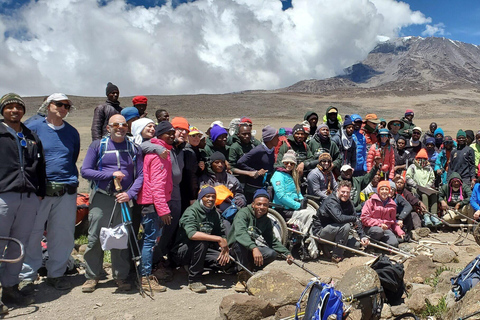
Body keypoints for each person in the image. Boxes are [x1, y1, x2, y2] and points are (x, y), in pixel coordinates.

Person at [20, 93, 80, 293]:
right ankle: (26, 277)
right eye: (59, 104)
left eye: (67, 106)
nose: (63, 108)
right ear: (48, 105)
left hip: (66, 189)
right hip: (39, 191)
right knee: (32, 233)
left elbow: (72, 157)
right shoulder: (33, 127)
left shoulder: (72, 132)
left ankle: (56, 274)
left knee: (62, 234)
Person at [80, 114, 144, 293]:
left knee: (121, 237)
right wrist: (111, 175)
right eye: (115, 124)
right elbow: (85, 171)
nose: (120, 127)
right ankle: (92, 276)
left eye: (123, 124)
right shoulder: (97, 146)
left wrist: (130, 194)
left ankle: (121, 276)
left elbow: (140, 175)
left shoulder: (134, 148)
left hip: (124, 199)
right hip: (102, 197)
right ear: (108, 128)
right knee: (94, 238)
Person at [0, 93, 46, 307]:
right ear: (3, 111)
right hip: (3, 197)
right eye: (9, 107)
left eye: (18, 107)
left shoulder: (31, 136)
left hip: (28, 198)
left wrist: (40, 192)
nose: (14, 110)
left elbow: (41, 167)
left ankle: (10, 289)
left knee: (19, 246)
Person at [136, 121, 177, 293]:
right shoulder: (158, 155)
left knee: (151, 240)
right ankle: (145, 277)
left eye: (173, 133)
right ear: (159, 135)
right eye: (168, 133)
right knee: (150, 241)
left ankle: (146, 273)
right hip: (153, 205)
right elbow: (157, 186)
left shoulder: (162, 152)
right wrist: (164, 210)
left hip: (154, 203)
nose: (172, 135)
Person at [228, 189, 293, 292]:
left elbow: (272, 240)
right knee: (240, 244)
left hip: (250, 247)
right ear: (253, 204)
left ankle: (252, 271)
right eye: (259, 204)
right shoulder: (243, 213)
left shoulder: (266, 220)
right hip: (235, 249)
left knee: (271, 253)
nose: (261, 207)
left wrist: (286, 253)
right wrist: (254, 248)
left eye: (265, 205)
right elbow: (240, 234)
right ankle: (242, 277)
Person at [171, 186, 231, 293]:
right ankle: (194, 280)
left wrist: (224, 246)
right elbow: (192, 234)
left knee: (224, 261)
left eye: (213, 197)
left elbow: (221, 232)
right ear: (201, 198)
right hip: (183, 250)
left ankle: (193, 267)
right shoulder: (191, 212)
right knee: (201, 241)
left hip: (202, 251)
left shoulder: (214, 213)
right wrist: (218, 239)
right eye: (207, 196)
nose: (211, 199)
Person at [311, 180, 369, 263]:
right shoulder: (331, 201)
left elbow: (356, 219)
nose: (345, 194)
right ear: (337, 190)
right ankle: (337, 255)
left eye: (347, 192)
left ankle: (328, 247)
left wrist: (362, 236)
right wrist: (353, 219)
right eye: (343, 192)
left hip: (337, 231)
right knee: (346, 226)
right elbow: (339, 218)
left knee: (356, 245)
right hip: (322, 231)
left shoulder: (348, 202)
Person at [199, 151, 246, 228]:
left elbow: (239, 193)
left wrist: (240, 200)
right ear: (211, 164)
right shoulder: (204, 179)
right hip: (210, 212)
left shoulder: (232, 179)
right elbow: (202, 196)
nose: (220, 165)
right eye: (217, 162)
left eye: (222, 162)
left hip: (230, 212)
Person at [236, 125, 278, 203]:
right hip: (253, 188)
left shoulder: (271, 150)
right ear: (270, 139)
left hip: (264, 185)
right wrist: (255, 171)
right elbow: (240, 162)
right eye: (276, 137)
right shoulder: (258, 150)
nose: (278, 139)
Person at [361, 181, 405, 247]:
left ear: (389, 191)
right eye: (382, 189)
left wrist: (399, 231)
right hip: (371, 228)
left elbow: (393, 222)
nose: (384, 191)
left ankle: (378, 247)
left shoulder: (392, 204)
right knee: (378, 231)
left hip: (386, 229)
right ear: (378, 191)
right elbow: (364, 218)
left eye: (386, 189)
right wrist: (380, 224)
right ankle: (370, 246)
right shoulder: (371, 201)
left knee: (394, 244)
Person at [406, 149, 438, 223]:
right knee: (424, 196)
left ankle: (434, 215)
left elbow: (432, 178)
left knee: (434, 195)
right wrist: (415, 185)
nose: (422, 161)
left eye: (424, 159)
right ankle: (426, 215)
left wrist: (428, 185)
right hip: (416, 187)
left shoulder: (429, 168)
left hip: (427, 187)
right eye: (420, 159)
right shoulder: (413, 167)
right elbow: (408, 177)